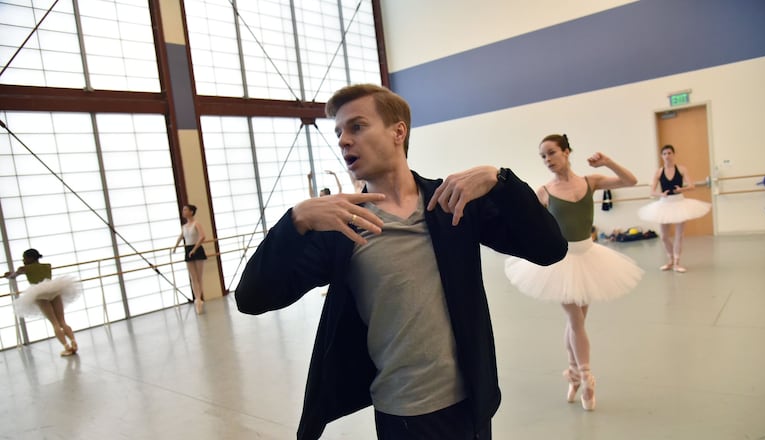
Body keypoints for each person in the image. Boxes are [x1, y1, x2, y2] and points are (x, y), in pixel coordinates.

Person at [235, 84, 568, 440]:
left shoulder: (450, 204)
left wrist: (501, 181)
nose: (344, 140)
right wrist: (295, 221)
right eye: (339, 133)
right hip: (402, 416)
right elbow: (252, 298)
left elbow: (549, 249)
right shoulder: (342, 226)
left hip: (472, 406)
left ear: (398, 131)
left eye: (357, 127)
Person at [504, 134, 644, 411]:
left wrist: (607, 162)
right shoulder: (544, 190)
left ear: (567, 152)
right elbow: (525, 221)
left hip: (589, 257)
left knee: (576, 322)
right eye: (543, 156)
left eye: (552, 153)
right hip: (561, 261)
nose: (547, 160)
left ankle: (573, 374)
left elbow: (630, 181)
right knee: (575, 320)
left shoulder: (591, 182)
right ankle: (588, 378)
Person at [638, 144, 711, 272]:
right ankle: (670, 260)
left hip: (679, 203)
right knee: (664, 236)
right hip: (664, 203)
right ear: (662, 156)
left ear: (673, 154)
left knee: (679, 235)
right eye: (665, 154)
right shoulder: (659, 172)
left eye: (669, 153)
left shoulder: (682, 169)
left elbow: (692, 186)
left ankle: (677, 262)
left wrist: (681, 189)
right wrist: (661, 194)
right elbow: (652, 191)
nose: (667, 156)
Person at [3, 249, 80, 356]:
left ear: (30, 258)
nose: (23, 260)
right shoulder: (47, 265)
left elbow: (13, 276)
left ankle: (67, 347)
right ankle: (73, 340)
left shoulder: (24, 268)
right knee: (62, 321)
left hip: (39, 293)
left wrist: (8, 275)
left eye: (24, 257)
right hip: (54, 289)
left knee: (55, 323)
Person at [172, 204, 207, 314]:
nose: (184, 211)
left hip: (196, 249)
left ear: (191, 212)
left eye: (186, 209)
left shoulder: (196, 224)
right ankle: (197, 299)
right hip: (188, 249)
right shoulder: (184, 226)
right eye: (183, 210)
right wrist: (175, 247)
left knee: (199, 276)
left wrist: (195, 249)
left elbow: (202, 236)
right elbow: (181, 236)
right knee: (193, 277)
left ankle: (199, 298)